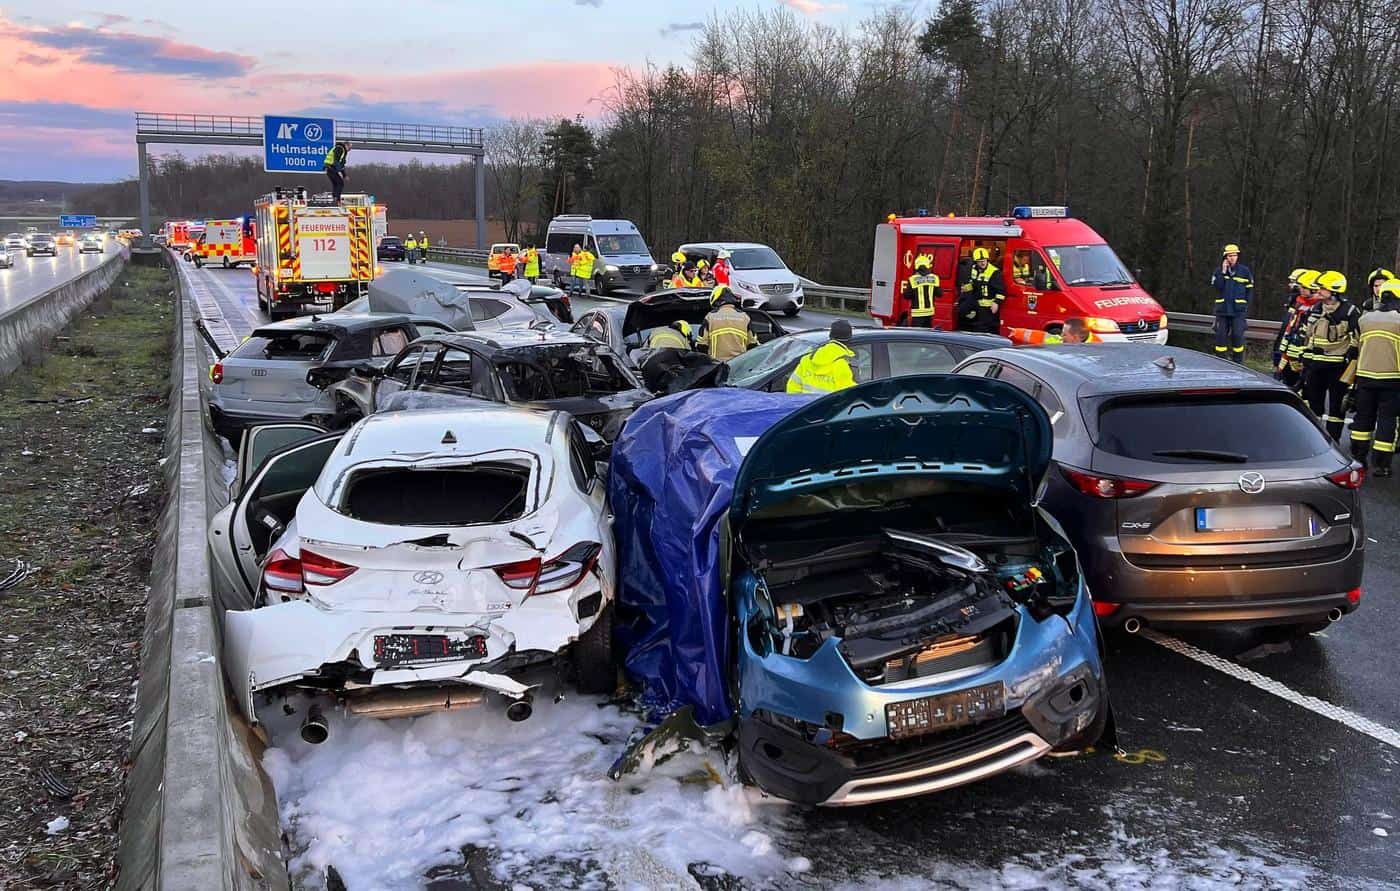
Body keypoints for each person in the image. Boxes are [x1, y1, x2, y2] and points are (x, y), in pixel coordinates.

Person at [1300, 270, 1361, 442]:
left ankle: (1333, 442)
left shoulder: (1349, 311)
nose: (1318, 291)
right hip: (1316, 366)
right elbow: (1308, 335)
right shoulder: (1316, 308)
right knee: (1314, 406)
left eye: (1322, 288)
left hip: (1338, 367)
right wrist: (1305, 354)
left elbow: (1357, 338)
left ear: (1334, 290)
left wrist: (1351, 355)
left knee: (1336, 409)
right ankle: (1316, 442)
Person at [1349, 279, 1400, 477]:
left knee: (1362, 419)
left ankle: (1358, 458)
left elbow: (1356, 347)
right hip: (1393, 378)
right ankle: (1381, 464)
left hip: (1364, 377)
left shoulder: (1365, 319)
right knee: (1387, 420)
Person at [1278, 269, 1322, 389]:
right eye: (1300, 286)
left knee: (1305, 379)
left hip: (1307, 350)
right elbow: (1291, 325)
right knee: (1288, 375)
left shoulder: (1319, 307)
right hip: (1292, 345)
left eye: (1304, 287)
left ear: (1314, 289)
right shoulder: (1299, 302)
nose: (1301, 289)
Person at [787, 320, 857, 394]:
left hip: (806, 404)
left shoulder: (808, 358)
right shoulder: (846, 364)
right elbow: (850, 394)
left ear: (830, 336)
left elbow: (792, 387)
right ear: (850, 338)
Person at [1211, 243, 1254, 362]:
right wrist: (1223, 272)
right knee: (1220, 339)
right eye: (1229, 255)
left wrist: (1246, 307)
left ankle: (1238, 363)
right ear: (1225, 257)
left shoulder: (1245, 271)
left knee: (1237, 337)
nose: (1232, 258)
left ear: (1237, 256)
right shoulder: (1218, 271)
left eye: (1234, 255)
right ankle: (1220, 362)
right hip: (1222, 311)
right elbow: (1218, 287)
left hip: (1238, 312)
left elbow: (1249, 291)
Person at [697, 286, 757, 361]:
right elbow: (753, 345)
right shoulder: (744, 317)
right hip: (739, 366)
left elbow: (701, 345)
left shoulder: (710, 317)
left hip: (717, 366)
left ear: (716, 300)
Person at [956, 247, 1005, 333]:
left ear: (987, 260)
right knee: (962, 310)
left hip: (987, 307)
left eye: (984, 260)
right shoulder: (974, 269)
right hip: (976, 302)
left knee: (982, 329)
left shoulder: (994, 272)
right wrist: (965, 288)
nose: (982, 263)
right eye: (979, 261)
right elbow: (974, 284)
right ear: (976, 262)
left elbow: (1001, 290)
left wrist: (996, 303)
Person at [900, 254, 941, 328]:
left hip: (917, 314)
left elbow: (906, 295)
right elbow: (940, 294)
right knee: (927, 334)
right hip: (929, 313)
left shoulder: (913, 279)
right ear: (928, 265)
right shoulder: (934, 278)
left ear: (917, 266)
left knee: (916, 335)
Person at [1006, 317, 1100, 345]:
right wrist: (1018, 332)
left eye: (1064, 335)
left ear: (1075, 337)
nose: (1061, 337)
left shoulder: (1095, 349)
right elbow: (1045, 338)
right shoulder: (1071, 340)